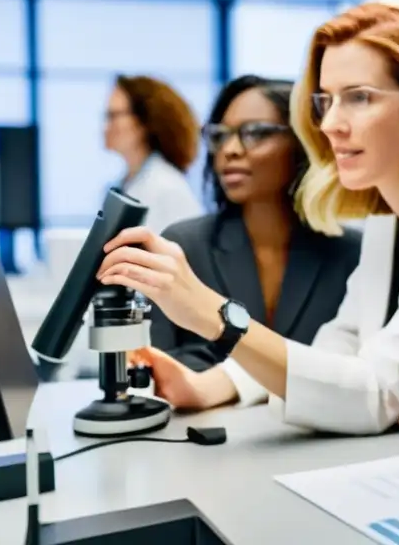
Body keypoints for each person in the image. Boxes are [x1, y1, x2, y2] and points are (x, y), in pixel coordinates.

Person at [97, 0, 399, 434]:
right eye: (326, 101)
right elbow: (340, 347)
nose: (330, 124)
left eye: (359, 98)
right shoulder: (388, 218)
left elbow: (376, 393)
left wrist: (211, 315)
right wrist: (209, 387)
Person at [128, 76, 361, 412]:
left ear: (304, 141)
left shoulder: (351, 253)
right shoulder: (184, 246)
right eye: (220, 136)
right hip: (204, 447)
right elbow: (158, 370)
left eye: (256, 133)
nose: (231, 150)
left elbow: (354, 369)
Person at [104, 74, 203, 234]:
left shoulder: (168, 188)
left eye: (113, 116)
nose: (105, 127)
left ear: (144, 123)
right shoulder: (128, 183)